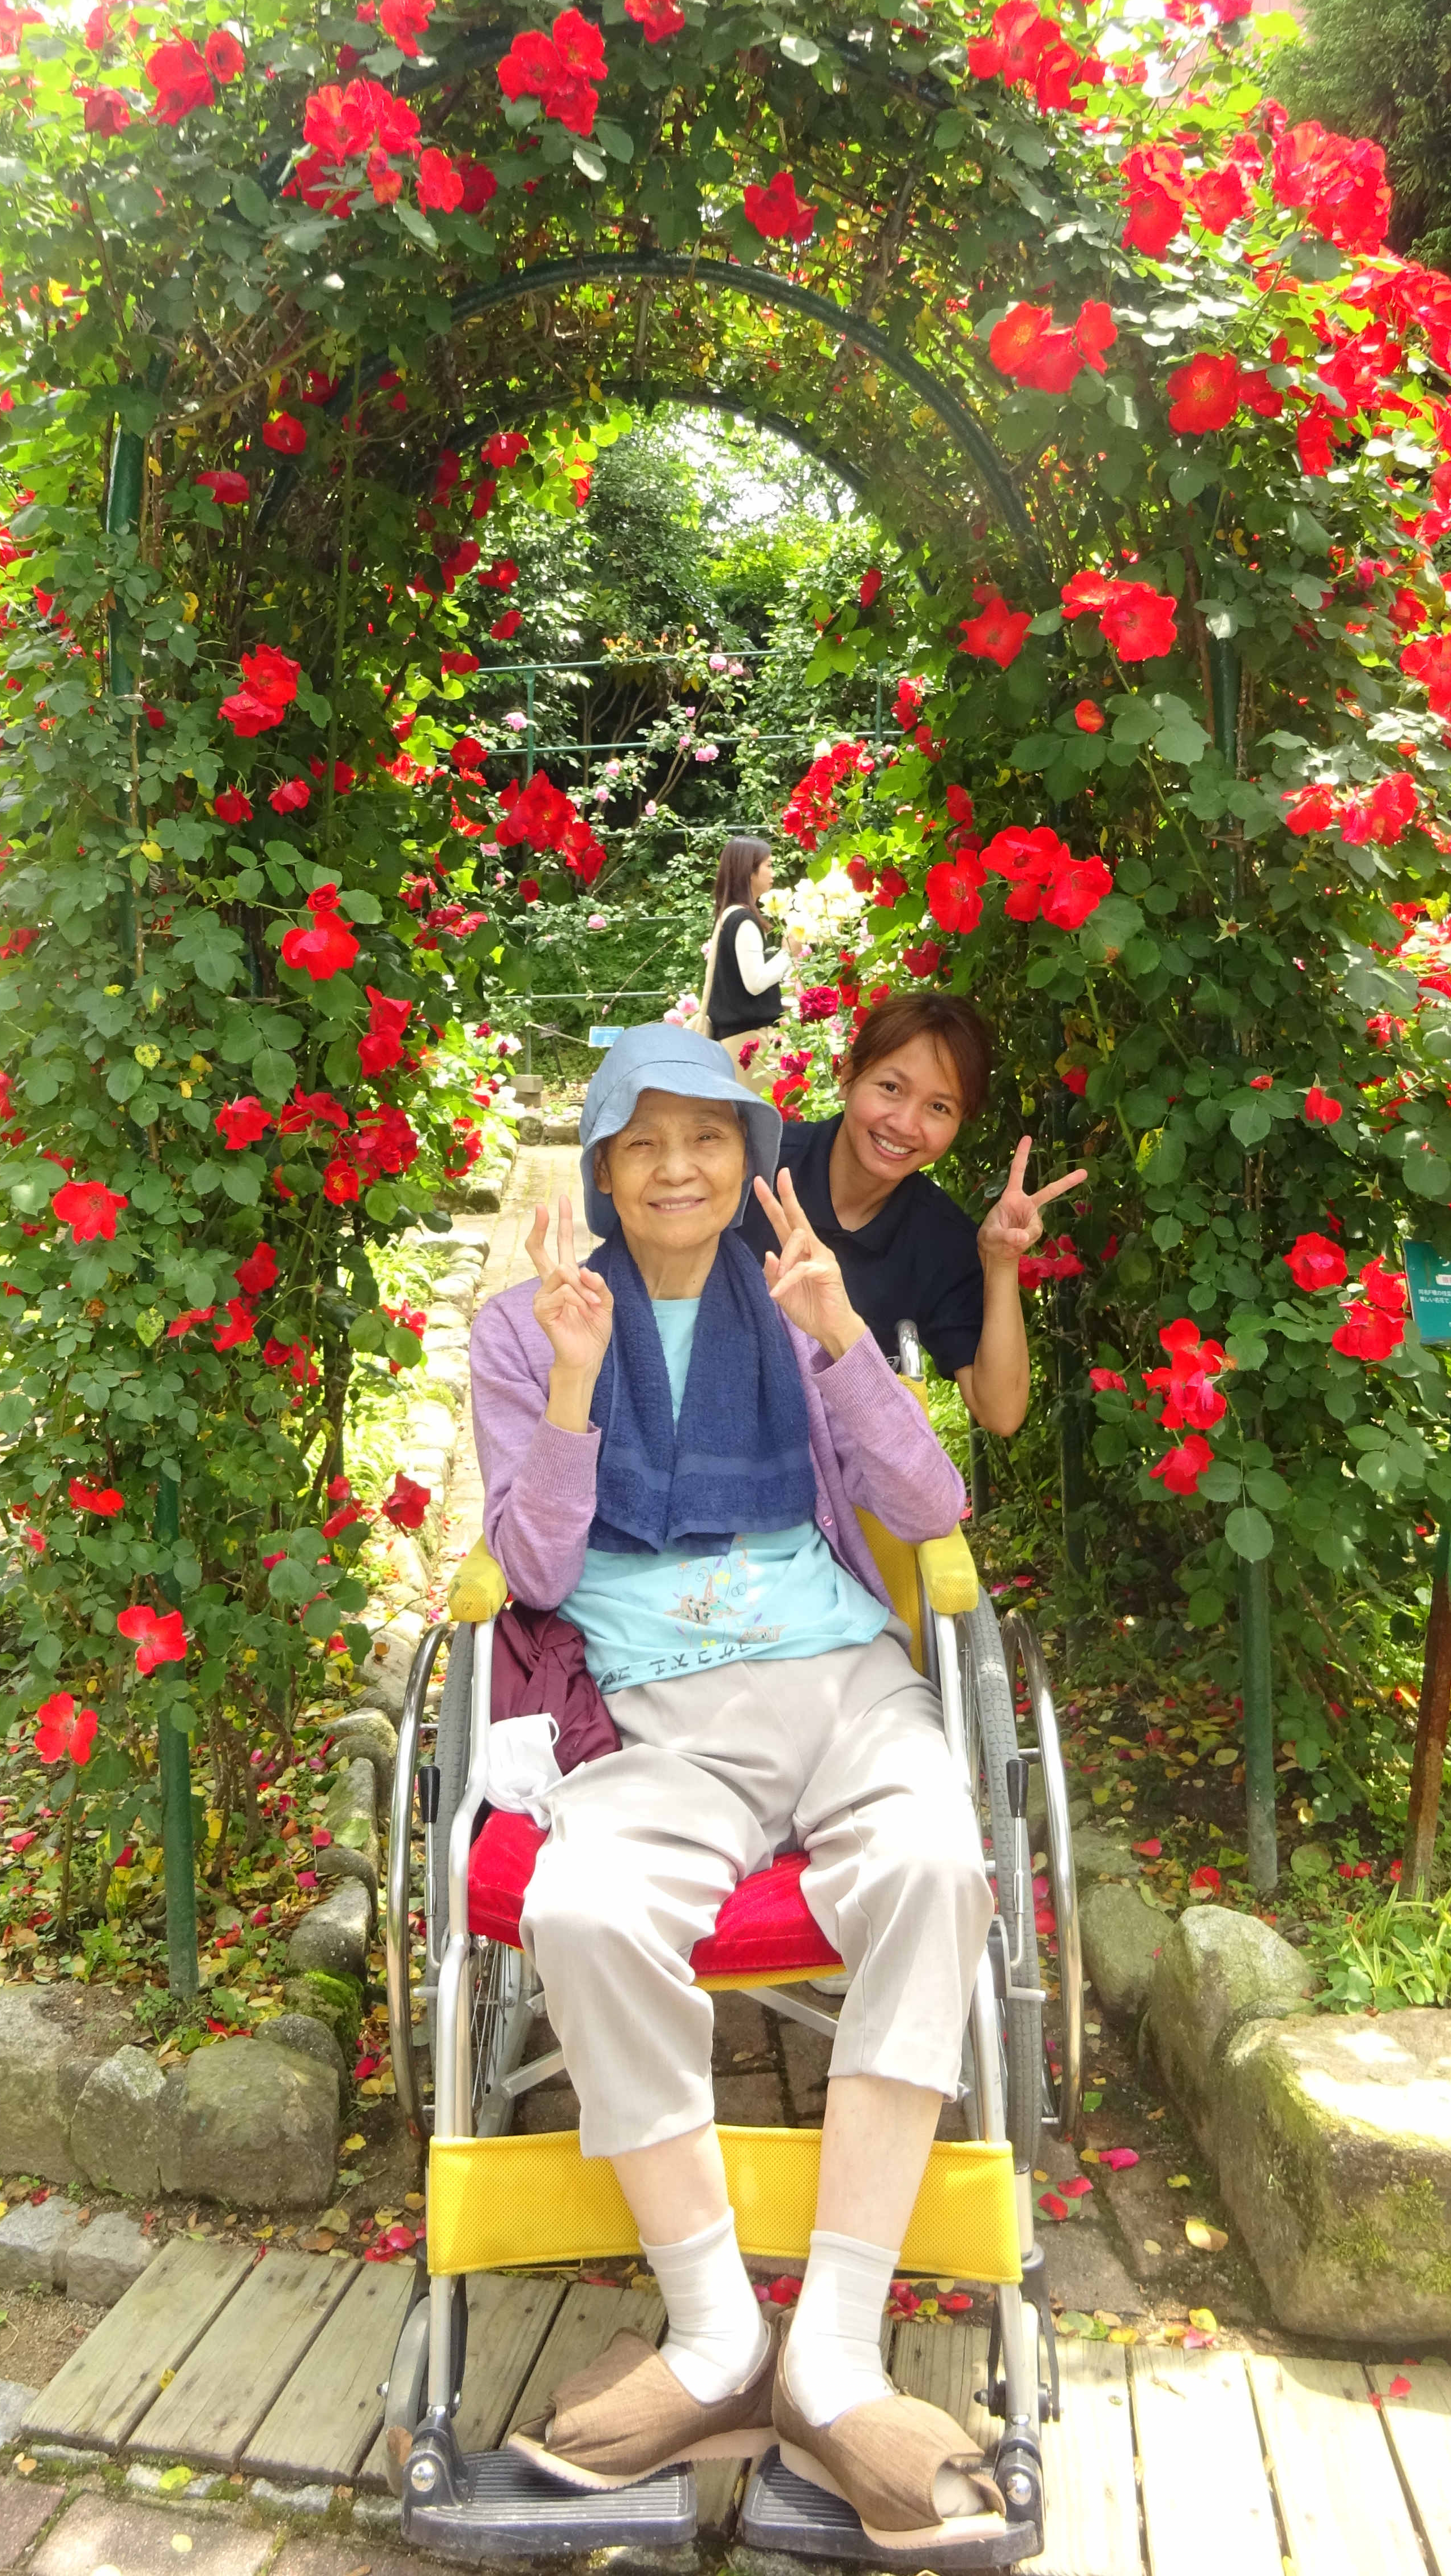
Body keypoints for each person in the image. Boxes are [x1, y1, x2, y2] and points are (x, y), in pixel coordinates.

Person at [467, 1023, 1005, 2549]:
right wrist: (575, 1382)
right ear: (604, 1167)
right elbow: (532, 1570)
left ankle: (830, 2357)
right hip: (656, 1717)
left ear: (751, 1155)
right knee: (583, 1909)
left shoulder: (795, 1294)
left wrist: (841, 1342)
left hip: (840, 1682)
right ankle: (714, 2337)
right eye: (644, 1142)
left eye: (708, 1137)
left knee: (934, 1868)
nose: (678, 1168)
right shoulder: (524, 1326)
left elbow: (930, 1504)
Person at [739, 988, 1085, 1436]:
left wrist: (1001, 1262)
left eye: (938, 1107)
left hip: (837, 1470)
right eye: (891, 1088)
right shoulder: (754, 1166)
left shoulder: (939, 1239)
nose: (904, 1124)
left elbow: (1001, 1412)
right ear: (848, 1076)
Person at [698, 834, 792, 1083]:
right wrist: (788, 953)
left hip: (733, 1040)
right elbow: (755, 983)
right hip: (751, 1043)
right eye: (768, 865)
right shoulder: (744, 920)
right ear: (750, 871)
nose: (773, 873)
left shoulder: (728, 916)